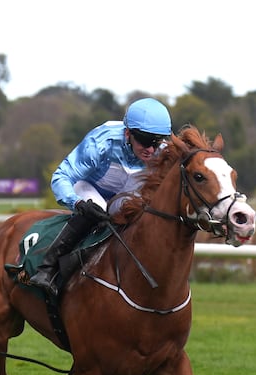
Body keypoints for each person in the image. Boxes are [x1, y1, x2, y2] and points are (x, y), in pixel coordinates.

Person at [29, 97, 173, 297]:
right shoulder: (102, 141)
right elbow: (61, 177)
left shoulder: (162, 152)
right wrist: (77, 202)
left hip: (125, 196)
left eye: (157, 142)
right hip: (89, 188)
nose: (151, 149)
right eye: (145, 141)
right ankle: (47, 269)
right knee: (97, 210)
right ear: (127, 133)